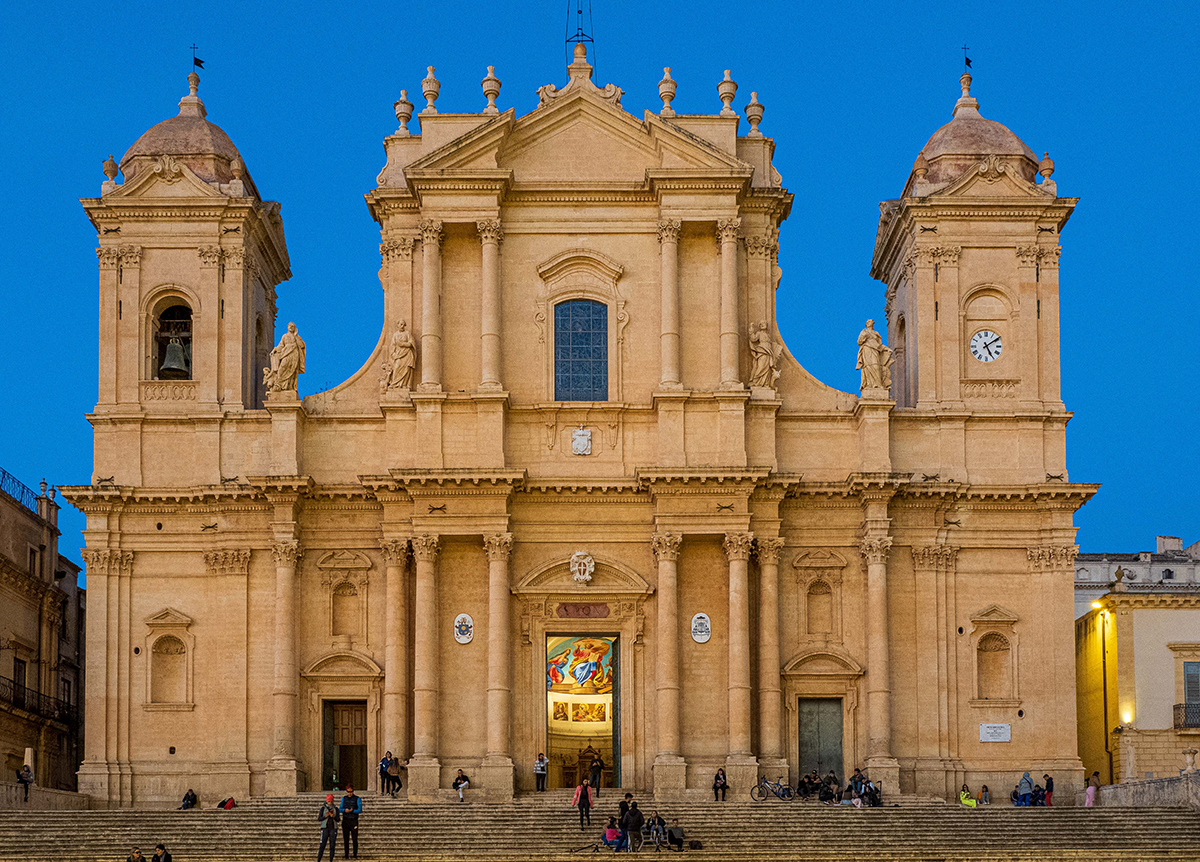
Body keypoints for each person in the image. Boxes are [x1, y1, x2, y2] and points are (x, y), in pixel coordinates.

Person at [340, 785, 362, 859]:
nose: (350, 793)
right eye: (348, 792)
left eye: (351, 791)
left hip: (354, 820)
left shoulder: (357, 799)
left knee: (354, 838)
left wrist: (353, 811)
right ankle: (346, 854)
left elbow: (360, 810)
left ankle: (355, 854)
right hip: (346, 820)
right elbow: (340, 808)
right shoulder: (344, 798)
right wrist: (344, 810)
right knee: (346, 838)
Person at [316, 793, 339, 862]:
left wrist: (333, 816)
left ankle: (331, 859)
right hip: (325, 827)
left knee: (332, 845)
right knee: (322, 844)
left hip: (333, 828)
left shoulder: (336, 809)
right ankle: (319, 858)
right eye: (329, 801)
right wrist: (325, 816)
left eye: (331, 801)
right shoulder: (323, 809)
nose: (330, 803)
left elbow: (338, 819)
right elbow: (319, 818)